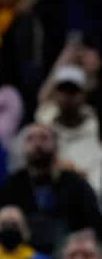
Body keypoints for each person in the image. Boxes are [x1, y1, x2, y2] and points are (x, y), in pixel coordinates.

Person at [0, 122, 102, 240]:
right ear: (22, 147)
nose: (37, 144)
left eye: (44, 138)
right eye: (30, 139)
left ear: (56, 145)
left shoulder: (76, 185)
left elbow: (93, 225)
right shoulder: (10, 186)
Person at [36, 64, 102, 192]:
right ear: (55, 94)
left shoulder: (97, 126)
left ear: (84, 95)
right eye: (63, 90)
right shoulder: (43, 128)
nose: (67, 97)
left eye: (73, 91)